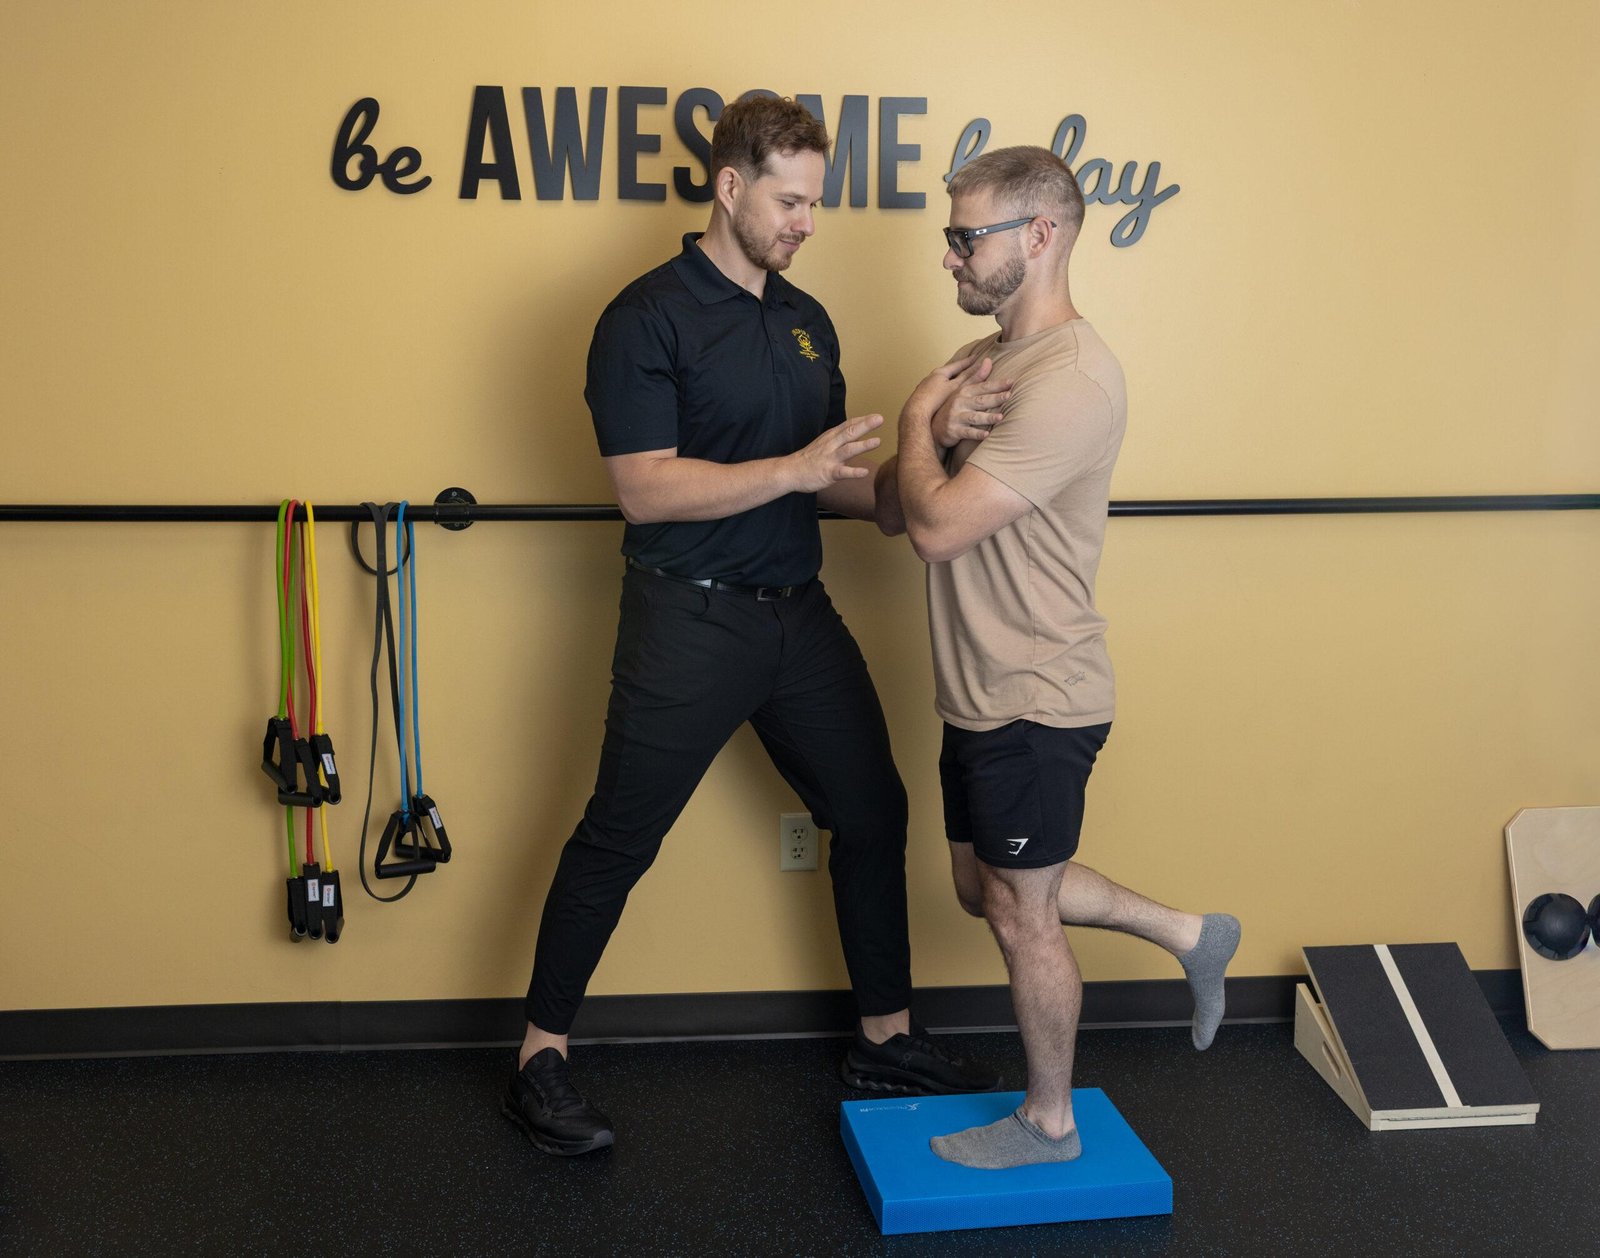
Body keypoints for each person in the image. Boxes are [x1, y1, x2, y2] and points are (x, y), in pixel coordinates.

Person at [503, 95, 998, 1158]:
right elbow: (645, 488)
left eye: (814, 203)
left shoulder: (805, 318)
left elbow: (824, 487)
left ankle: (885, 1038)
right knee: (617, 838)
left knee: (872, 809)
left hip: (796, 618)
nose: (806, 222)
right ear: (728, 188)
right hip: (689, 621)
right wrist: (797, 470)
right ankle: (540, 1055)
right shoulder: (645, 318)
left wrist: (918, 461)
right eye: (790, 200)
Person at [877, 145, 1241, 1170]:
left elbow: (939, 527)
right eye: (949, 235)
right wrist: (916, 433)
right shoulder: (987, 363)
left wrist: (916, 422)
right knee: (979, 885)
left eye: (965, 235)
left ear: (1039, 236)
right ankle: (1186, 931)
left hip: (1038, 694)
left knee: (1021, 916)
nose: (948, 256)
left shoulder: (1075, 379)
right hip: (976, 694)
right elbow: (895, 514)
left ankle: (1050, 1122)